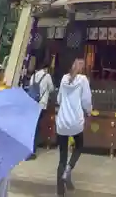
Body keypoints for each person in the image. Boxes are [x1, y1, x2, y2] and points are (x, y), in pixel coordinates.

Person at [55, 58, 92, 196]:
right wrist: (88, 111)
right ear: (82, 69)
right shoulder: (83, 80)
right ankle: (69, 169)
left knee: (62, 157)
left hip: (62, 121)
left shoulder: (64, 78)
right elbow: (86, 101)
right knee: (79, 146)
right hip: (76, 122)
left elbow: (59, 99)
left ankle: (60, 192)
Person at [28, 62, 55, 158]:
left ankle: (29, 147)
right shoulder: (47, 76)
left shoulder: (33, 76)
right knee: (37, 127)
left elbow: (30, 87)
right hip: (41, 105)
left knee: (32, 126)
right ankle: (32, 150)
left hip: (32, 103)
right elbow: (51, 88)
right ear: (46, 68)